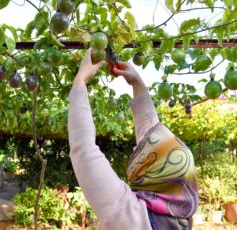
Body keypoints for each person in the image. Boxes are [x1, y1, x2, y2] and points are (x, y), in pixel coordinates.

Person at [68, 49, 198, 230]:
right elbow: (149, 129)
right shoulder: (180, 217)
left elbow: (83, 149)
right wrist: (137, 83)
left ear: (154, 173)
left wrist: (80, 81)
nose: (142, 145)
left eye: (148, 151)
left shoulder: (127, 216)